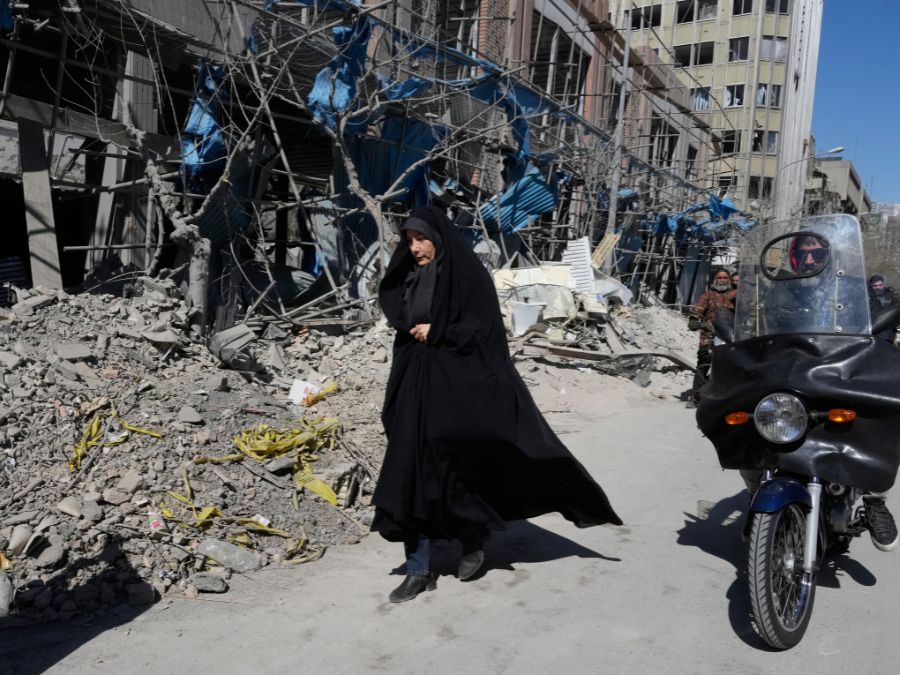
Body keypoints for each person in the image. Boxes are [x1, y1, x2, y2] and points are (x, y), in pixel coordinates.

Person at [372, 206, 622, 603]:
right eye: (409, 241)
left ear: (438, 238)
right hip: (414, 385)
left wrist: (441, 331)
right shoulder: (410, 277)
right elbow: (402, 323)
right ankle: (418, 568)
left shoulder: (468, 278)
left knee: (457, 466)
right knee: (409, 470)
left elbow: (484, 330)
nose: (415, 248)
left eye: (421, 239)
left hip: (456, 387)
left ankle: (472, 539)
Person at [686, 268, 735, 408]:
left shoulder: (735, 295)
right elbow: (699, 309)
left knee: (732, 365)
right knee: (703, 363)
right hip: (709, 335)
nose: (722, 280)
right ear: (715, 280)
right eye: (719, 278)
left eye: (725, 278)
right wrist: (695, 320)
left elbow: (745, 309)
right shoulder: (708, 295)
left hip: (729, 336)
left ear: (729, 280)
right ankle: (695, 396)